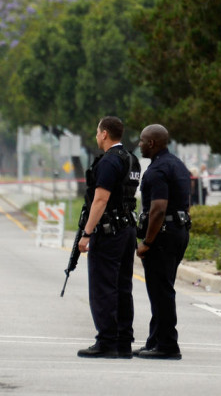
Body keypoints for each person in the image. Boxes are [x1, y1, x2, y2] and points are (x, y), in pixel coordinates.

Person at [76, 117, 141, 359]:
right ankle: (123, 340)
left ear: (104, 134)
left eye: (97, 132)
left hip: (109, 231)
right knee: (123, 286)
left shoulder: (109, 161)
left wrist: (87, 233)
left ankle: (106, 341)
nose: (96, 136)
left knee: (103, 287)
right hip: (127, 230)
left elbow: (100, 200)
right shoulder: (131, 159)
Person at [135, 124, 192, 360]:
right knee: (161, 289)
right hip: (178, 231)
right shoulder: (177, 165)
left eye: (141, 141)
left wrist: (147, 242)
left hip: (163, 235)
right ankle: (155, 340)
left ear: (152, 143)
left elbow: (158, 209)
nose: (138, 145)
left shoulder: (158, 170)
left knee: (161, 292)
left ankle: (167, 345)